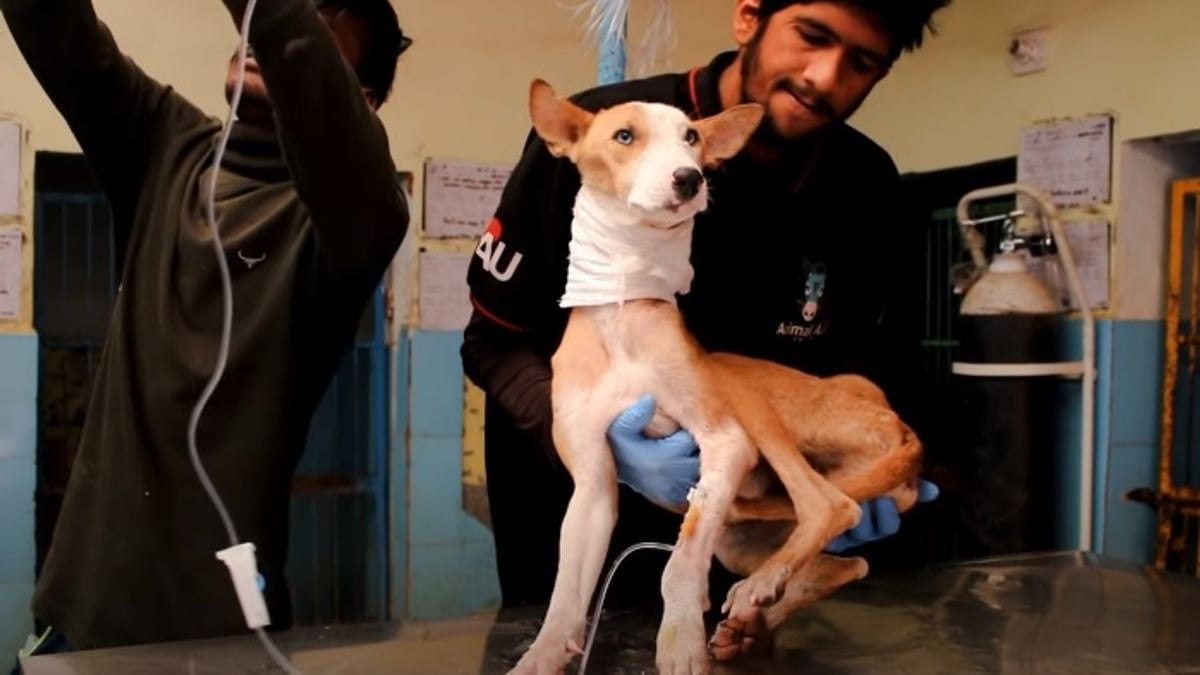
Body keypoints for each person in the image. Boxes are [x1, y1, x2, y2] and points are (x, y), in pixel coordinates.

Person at [462, 0, 950, 613]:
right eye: (811, 37)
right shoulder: (605, 136)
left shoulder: (867, 186)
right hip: (576, 514)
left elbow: (864, 364)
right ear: (749, 18)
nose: (823, 77)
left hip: (749, 527)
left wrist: (860, 470)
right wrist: (609, 445)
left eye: (861, 62)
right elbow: (492, 342)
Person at [1, 0, 411, 664]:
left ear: (358, 100)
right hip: (80, 614)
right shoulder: (167, 145)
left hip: (221, 637)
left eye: (311, 32)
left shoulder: (358, 219)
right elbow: (54, 28)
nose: (259, 37)